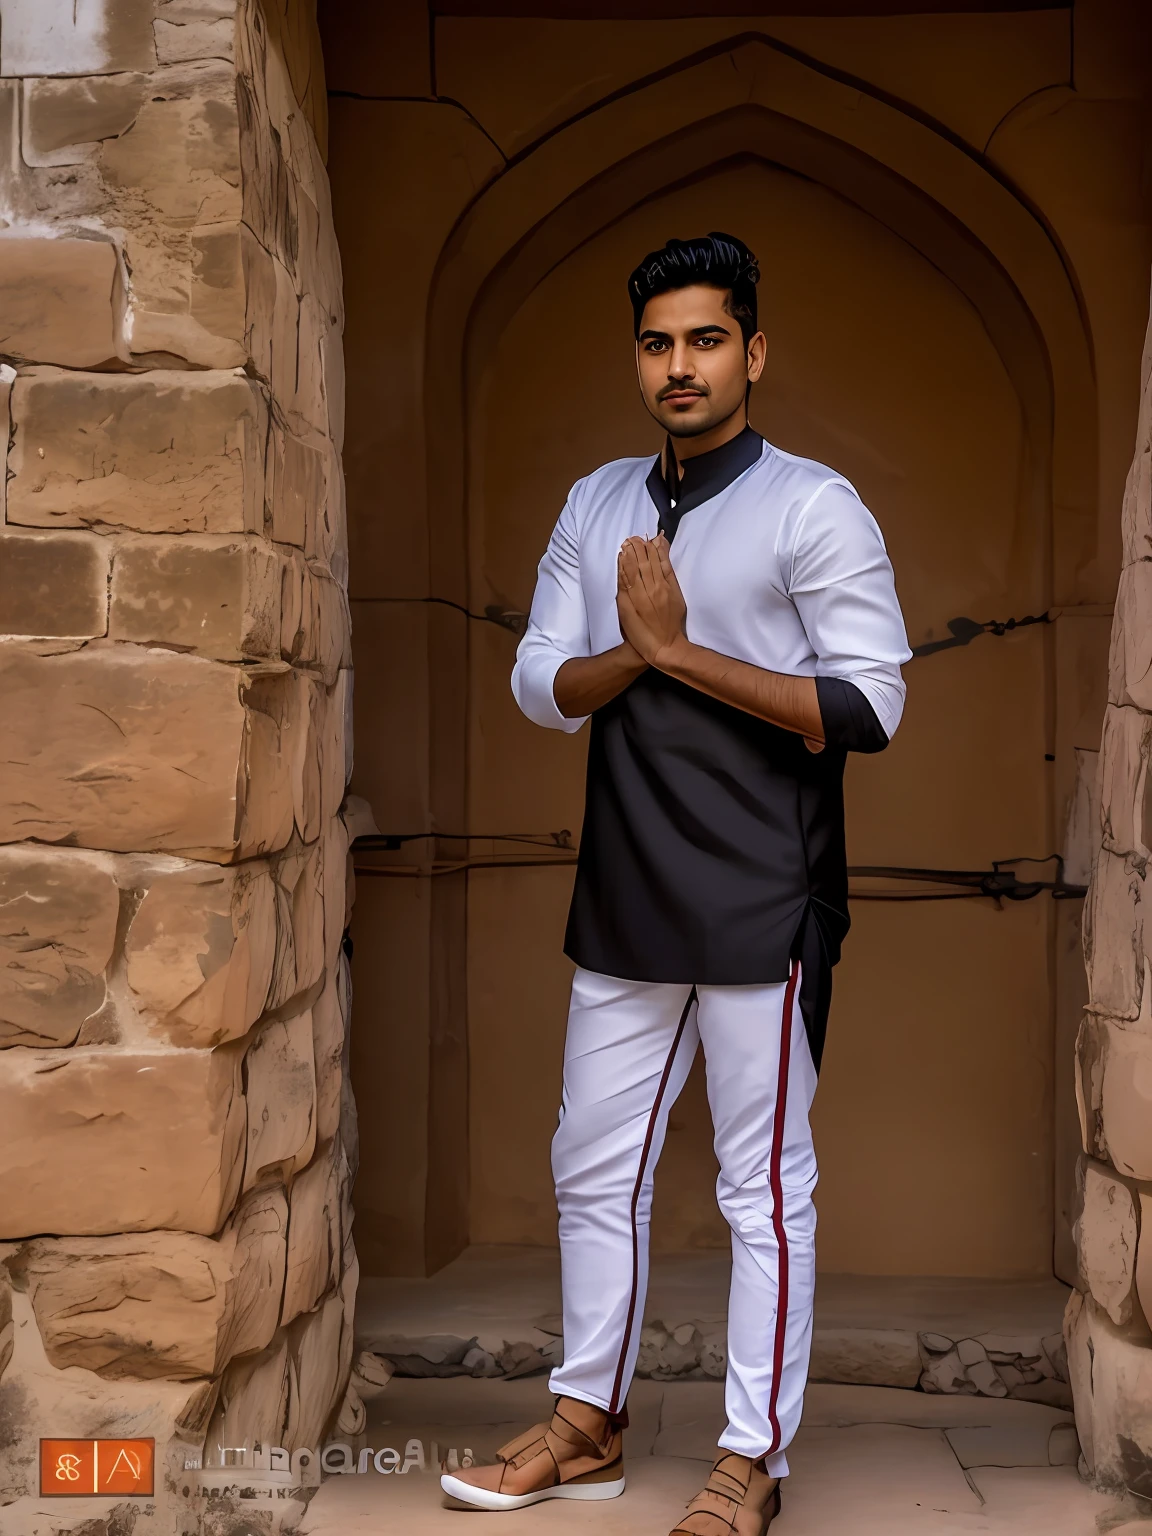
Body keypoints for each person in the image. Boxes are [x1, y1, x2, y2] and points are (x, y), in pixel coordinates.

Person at [441, 232, 910, 1534]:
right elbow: (542, 681)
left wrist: (673, 649)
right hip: (629, 887)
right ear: (637, 359)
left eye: (707, 339)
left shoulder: (815, 505)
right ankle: (587, 1419)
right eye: (658, 342)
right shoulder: (596, 504)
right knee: (592, 1165)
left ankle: (752, 1455)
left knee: (762, 1187)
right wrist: (631, 658)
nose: (680, 365)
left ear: (753, 352)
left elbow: (869, 705)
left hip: (771, 894)